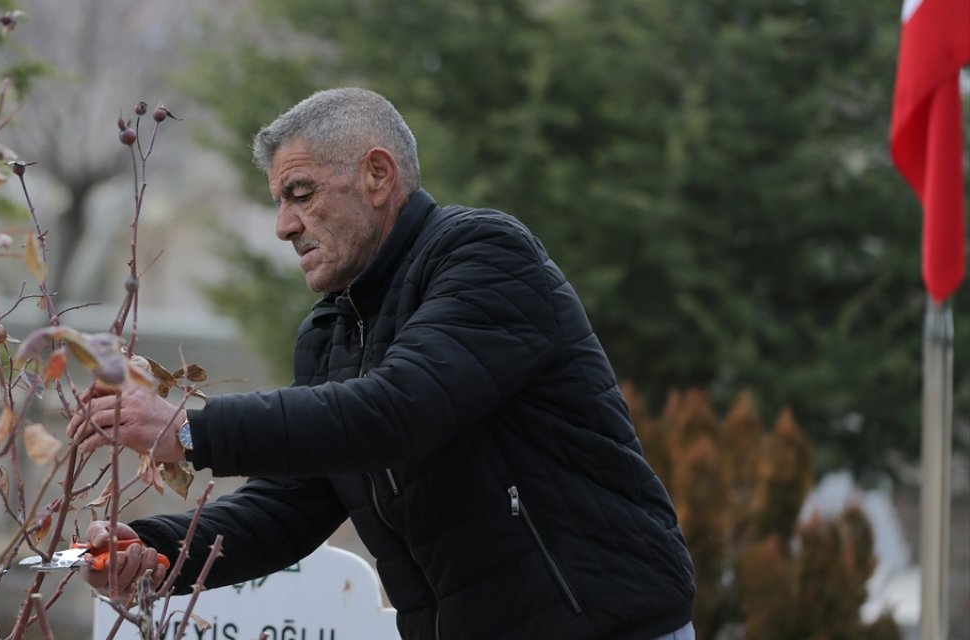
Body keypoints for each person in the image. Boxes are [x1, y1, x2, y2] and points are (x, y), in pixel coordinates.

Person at [68, 87, 695, 639]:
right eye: (280, 202)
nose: (285, 226)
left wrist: (186, 430)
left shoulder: (486, 254)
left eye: (301, 193)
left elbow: (399, 410)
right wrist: (155, 552)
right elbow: (293, 503)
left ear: (377, 174)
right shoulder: (329, 332)